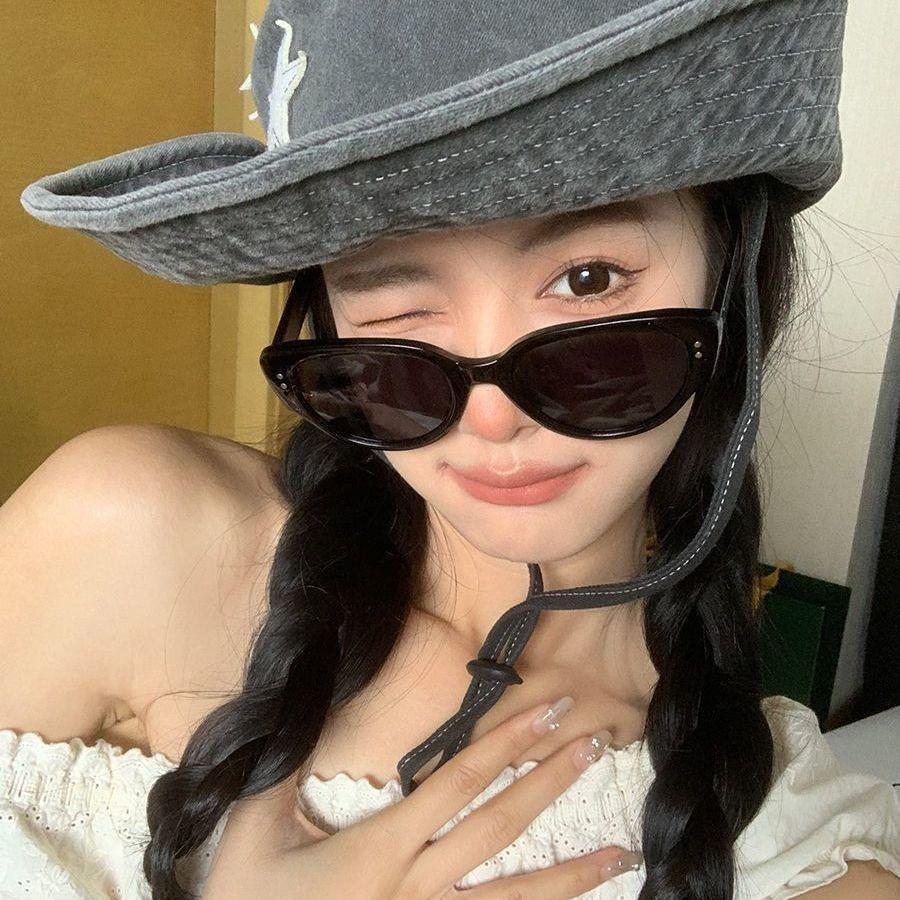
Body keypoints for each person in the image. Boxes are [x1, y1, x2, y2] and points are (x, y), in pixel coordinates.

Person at [5, 0, 900, 898]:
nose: (493, 416)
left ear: (734, 271)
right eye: (394, 306)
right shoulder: (131, 537)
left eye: (586, 279)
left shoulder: (789, 831)